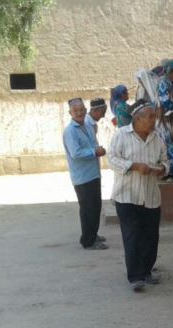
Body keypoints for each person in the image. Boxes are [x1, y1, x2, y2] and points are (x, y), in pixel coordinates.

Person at [109, 100, 169, 292]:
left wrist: (161, 169)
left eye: (154, 117)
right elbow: (112, 159)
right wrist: (134, 166)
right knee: (132, 236)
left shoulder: (157, 138)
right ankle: (135, 277)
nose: (154, 121)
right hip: (127, 196)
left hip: (151, 196)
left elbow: (166, 162)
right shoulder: (121, 135)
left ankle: (147, 270)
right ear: (137, 119)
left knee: (151, 237)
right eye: (150, 117)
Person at [62, 97, 107, 250]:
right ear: (70, 113)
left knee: (96, 206)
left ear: (86, 111)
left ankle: (93, 234)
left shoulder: (87, 126)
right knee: (88, 209)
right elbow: (76, 153)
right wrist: (94, 151)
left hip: (93, 173)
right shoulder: (70, 131)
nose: (79, 113)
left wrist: (97, 149)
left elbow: (93, 144)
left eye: (81, 110)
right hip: (82, 177)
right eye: (76, 111)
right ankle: (88, 241)